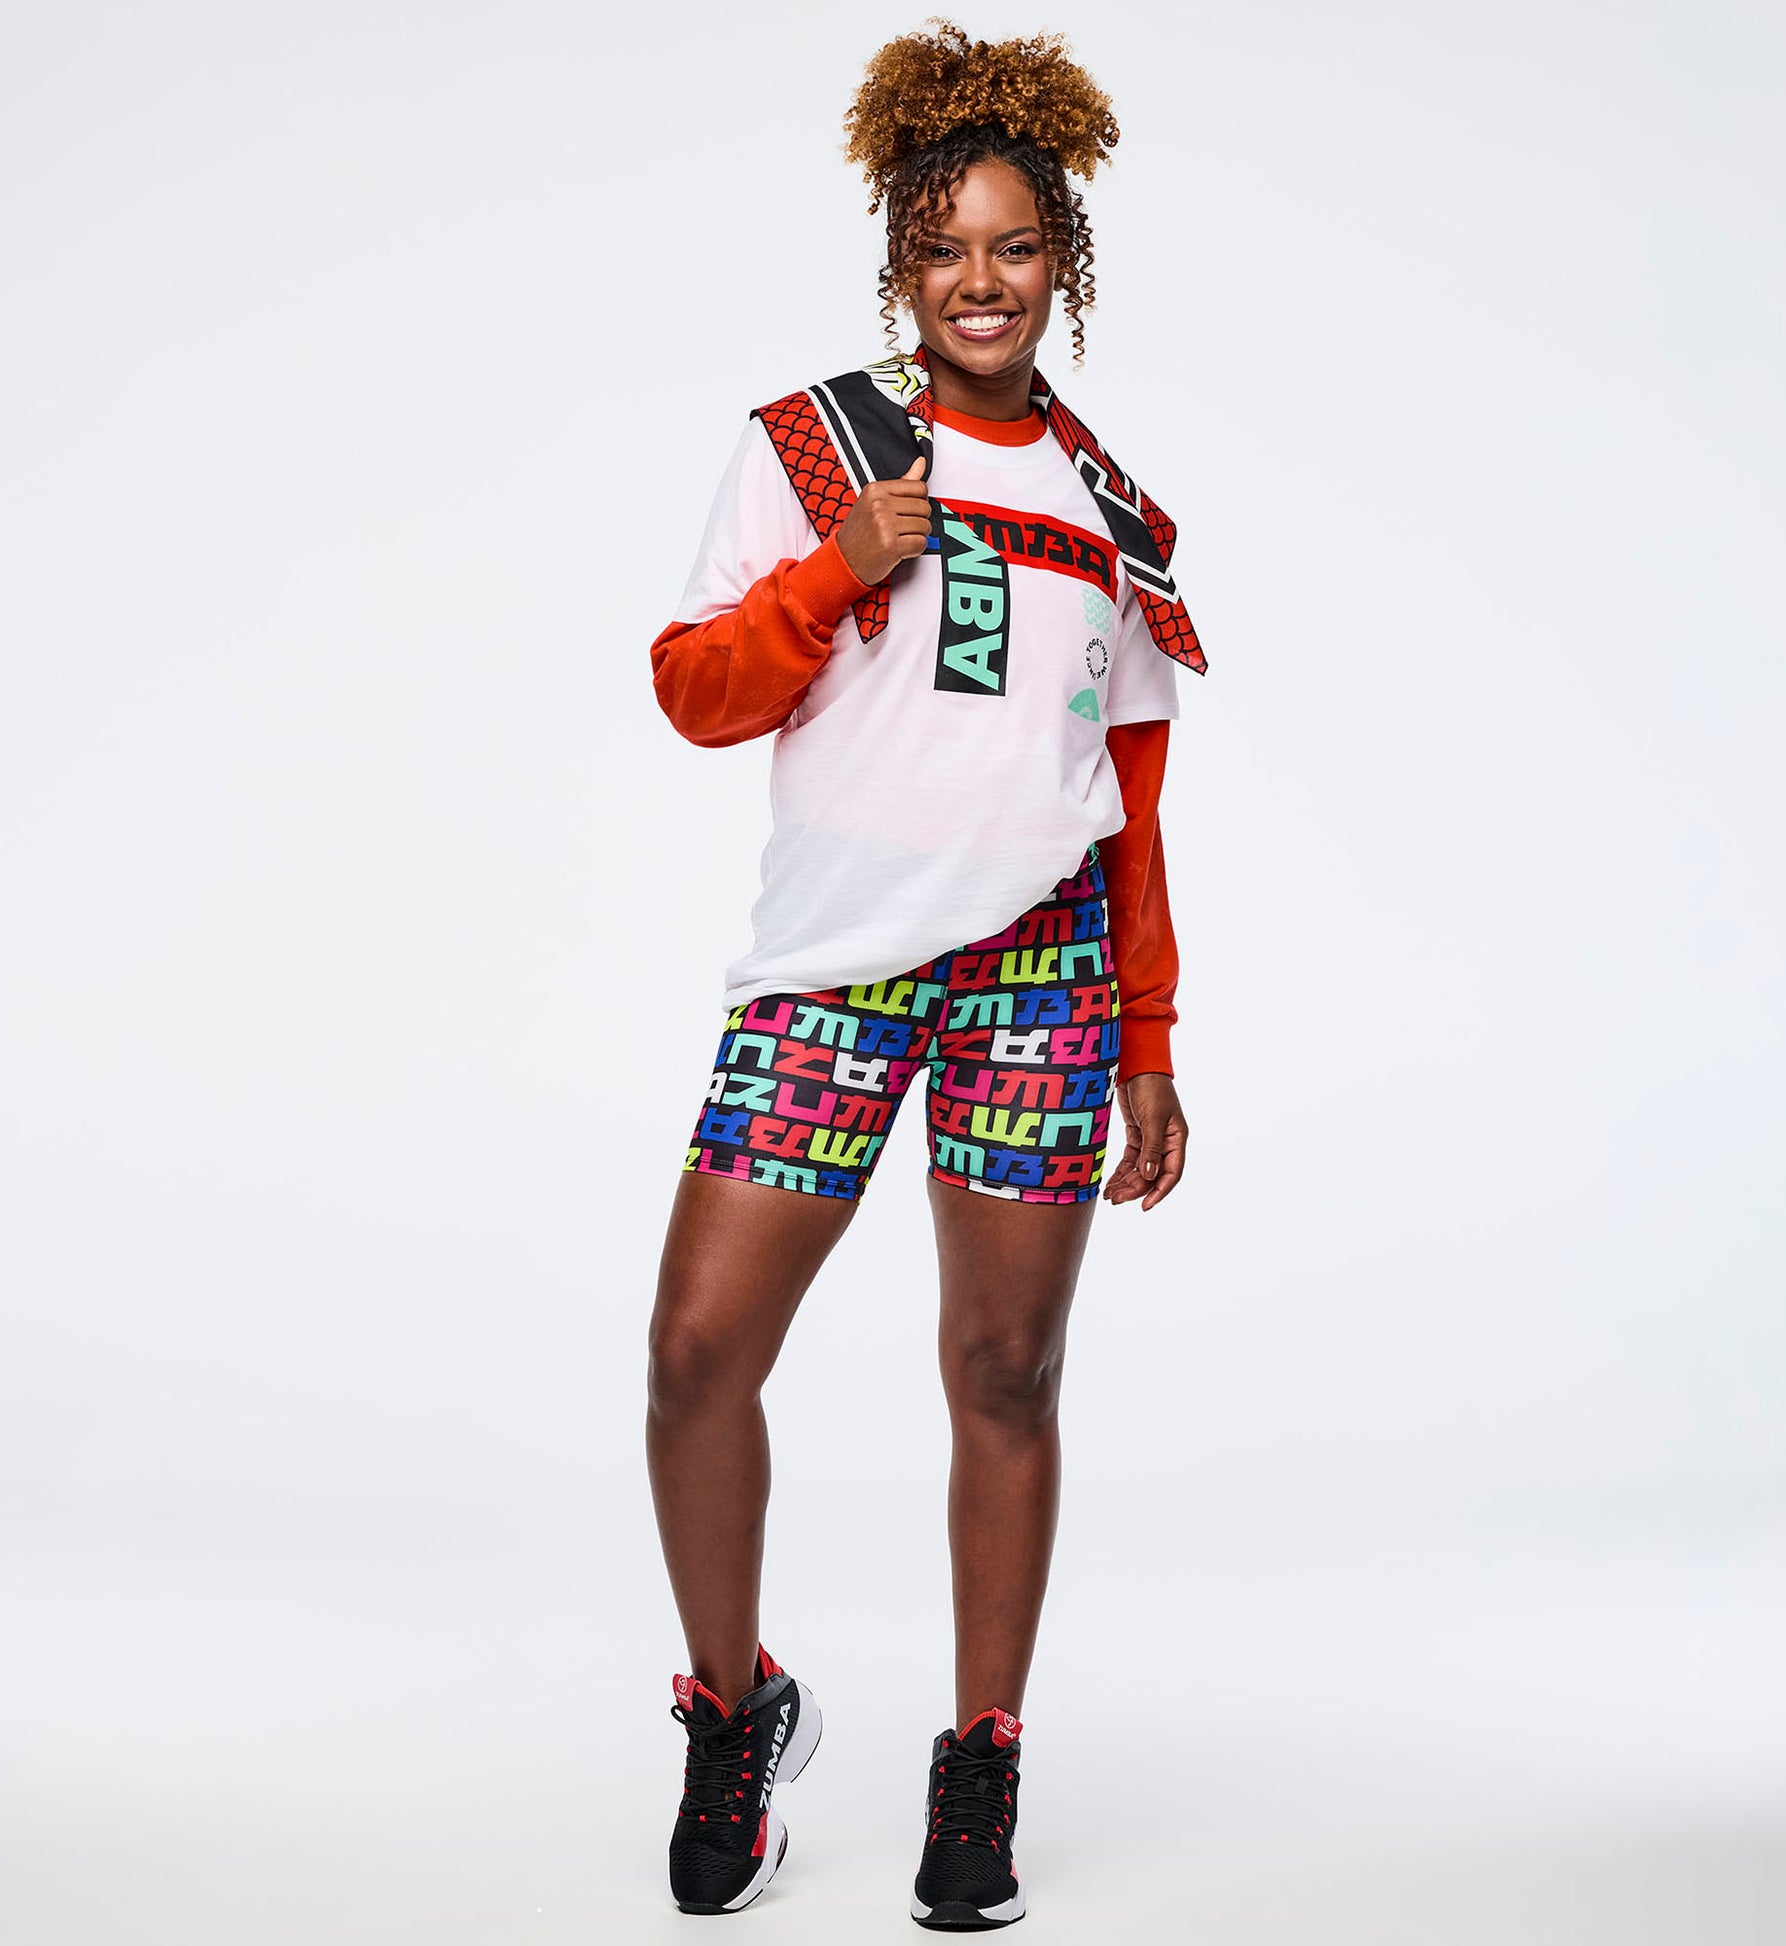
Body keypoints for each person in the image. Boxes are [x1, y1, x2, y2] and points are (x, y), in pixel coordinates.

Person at [644, 20, 1207, 1927]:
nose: (982, 281)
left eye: (1015, 246)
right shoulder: (814, 446)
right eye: (944, 248)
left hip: (1042, 972)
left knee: (1005, 1369)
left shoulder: (1111, 511)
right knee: (698, 1353)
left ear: (1063, 260)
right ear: (899, 259)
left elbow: (1129, 801)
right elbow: (696, 695)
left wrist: (1146, 1033)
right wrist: (834, 571)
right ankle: (734, 1707)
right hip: (833, 972)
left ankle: (981, 1761)